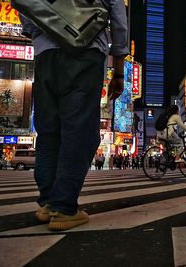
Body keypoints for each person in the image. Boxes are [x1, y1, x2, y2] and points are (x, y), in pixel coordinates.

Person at [19, 0, 128, 231]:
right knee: (79, 131)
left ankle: (48, 202)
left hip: (45, 52)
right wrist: (118, 70)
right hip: (86, 49)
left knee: (49, 131)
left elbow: (24, 5)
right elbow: (118, 16)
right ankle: (64, 207)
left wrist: (40, 31)